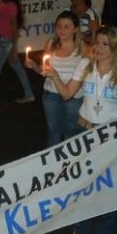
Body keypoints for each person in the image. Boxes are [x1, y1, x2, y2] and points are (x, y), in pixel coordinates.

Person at [45, 27, 117, 234]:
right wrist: (53, 75)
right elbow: (67, 94)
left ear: (115, 48)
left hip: (111, 134)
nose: (98, 47)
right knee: (84, 180)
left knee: (107, 182)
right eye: (97, 43)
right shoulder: (85, 64)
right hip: (84, 130)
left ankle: (106, 227)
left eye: (104, 44)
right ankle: (83, 222)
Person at [25, 11, 86, 146]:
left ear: (75, 28)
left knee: (71, 133)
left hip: (74, 97)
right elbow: (45, 71)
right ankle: (53, 165)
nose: (62, 30)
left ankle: (73, 163)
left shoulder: (83, 48)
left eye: (66, 26)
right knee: (54, 131)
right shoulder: (50, 44)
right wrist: (34, 66)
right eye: (59, 26)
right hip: (51, 95)